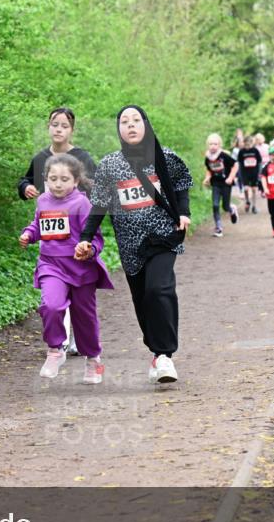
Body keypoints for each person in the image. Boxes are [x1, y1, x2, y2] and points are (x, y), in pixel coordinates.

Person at [75, 105, 193, 384]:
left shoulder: (166, 157)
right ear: (118, 129)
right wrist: (84, 238)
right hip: (130, 244)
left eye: (136, 120)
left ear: (146, 124)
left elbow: (181, 184)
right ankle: (155, 349)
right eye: (124, 122)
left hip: (163, 235)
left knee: (159, 289)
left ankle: (165, 356)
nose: (130, 125)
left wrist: (184, 212)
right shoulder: (110, 165)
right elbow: (100, 205)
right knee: (142, 299)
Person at [20, 154, 113, 382]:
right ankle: (55, 350)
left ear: (76, 181)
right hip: (51, 265)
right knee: (50, 305)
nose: (58, 184)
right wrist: (29, 234)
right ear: (46, 180)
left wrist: (89, 249)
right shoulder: (43, 201)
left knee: (85, 318)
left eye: (64, 179)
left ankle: (93, 360)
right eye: (53, 179)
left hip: (80, 269)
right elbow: (38, 224)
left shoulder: (81, 203)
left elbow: (95, 238)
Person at [17, 107, 97, 356]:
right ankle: (60, 340)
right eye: (54, 124)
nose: (59, 129)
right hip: (50, 232)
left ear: (72, 130)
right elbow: (25, 179)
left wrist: (82, 204)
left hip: (76, 229)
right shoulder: (41, 157)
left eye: (64, 125)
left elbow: (97, 189)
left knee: (78, 289)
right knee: (56, 289)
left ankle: (77, 337)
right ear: (48, 127)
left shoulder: (82, 157)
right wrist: (26, 187)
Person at [202, 133, 239, 237]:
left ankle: (232, 209)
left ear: (219, 145)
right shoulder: (208, 157)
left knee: (225, 207)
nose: (213, 146)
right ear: (207, 145)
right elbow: (209, 169)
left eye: (215, 144)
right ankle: (218, 228)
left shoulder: (223, 155)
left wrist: (230, 178)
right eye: (211, 144)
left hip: (226, 183)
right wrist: (207, 178)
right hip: (216, 184)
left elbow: (235, 165)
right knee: (215, 205)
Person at [236, 136, 263, 214]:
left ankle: (254, 206)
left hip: (254, 172)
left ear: (252, 143)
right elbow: (239, 163)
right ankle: (247, 201)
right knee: (246, 189)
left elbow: (260, 162)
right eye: (246, 145)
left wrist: (259, 173)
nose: (247, 147)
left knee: (254, 190)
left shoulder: (255, 151)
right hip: (245, 173)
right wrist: (239, 174)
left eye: (249, 145)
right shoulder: (241, 152)